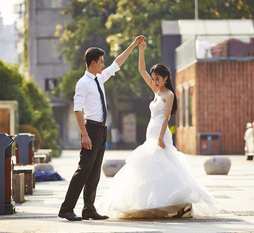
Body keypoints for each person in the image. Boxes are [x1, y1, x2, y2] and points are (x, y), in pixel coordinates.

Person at [97, 40, 221, 219]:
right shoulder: (155, 91)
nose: (154, 82)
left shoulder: (169, 94)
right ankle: (151, 204)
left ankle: (177, 203)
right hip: (150, 133)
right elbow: (141, 70)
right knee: (150, 169)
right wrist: (141, 50)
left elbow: (166, 118)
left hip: (161, 134)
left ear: (165, 79)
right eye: (153, 79)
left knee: (165, 167)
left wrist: (161, 138)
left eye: (158, 79)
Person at [58, 35, 146, 221]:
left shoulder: (99, 79)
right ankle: (66, 209)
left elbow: (117, 63)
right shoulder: (83, 83)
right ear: (92, 63)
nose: (103, 65)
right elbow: (77, 110)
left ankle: (89, 209)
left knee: (95, 172)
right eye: (100, 62)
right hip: (90, 129)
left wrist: (133, 44)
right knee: (83, 170)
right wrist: (84, 135)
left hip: (101, 130)